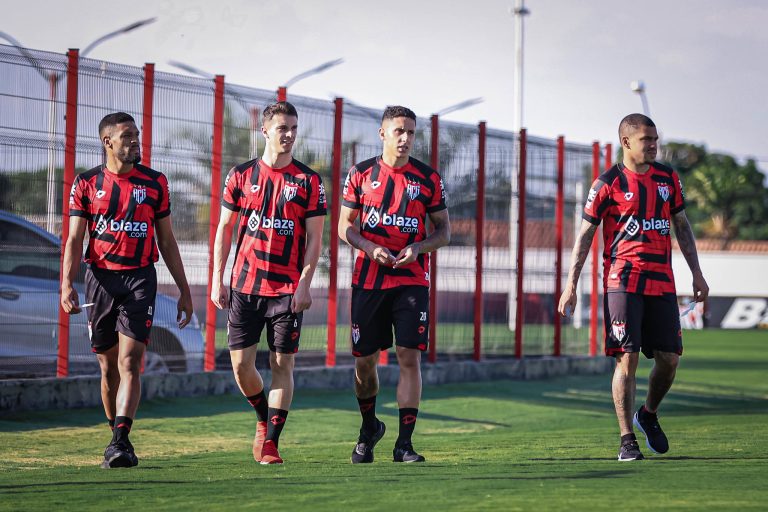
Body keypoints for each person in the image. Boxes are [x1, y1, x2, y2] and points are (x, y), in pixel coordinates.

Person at [558, 113, 709, 461]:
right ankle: (627, 439)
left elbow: (682, 227)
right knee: (626, 359)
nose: (654, 145)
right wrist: (571, 285)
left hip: (662, 282)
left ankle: (648, 414)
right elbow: (584, 236)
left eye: (656, 139)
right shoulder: (607, 183)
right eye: (647, 140)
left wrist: (697, 274)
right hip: (622, 281)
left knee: (669, 360)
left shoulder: (668, 179)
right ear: (626, 142)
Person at [61, 112, 194, 469]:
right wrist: (66, 284)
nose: (135, 142)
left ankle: (121, 440)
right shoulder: (86, 183)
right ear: (108, 142)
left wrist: (184, 289)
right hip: (100, 281)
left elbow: (166, 240)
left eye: (137, 135)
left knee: (131, 361)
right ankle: (116, 436)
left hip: (139, 279)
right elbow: (74, 239)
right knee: (108, 368)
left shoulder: (155, 183)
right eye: (127, 136)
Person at [211, 101, 326, 465]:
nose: (289, 134)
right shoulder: (241, 176)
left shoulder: (308, 181)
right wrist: (217, 278)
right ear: (265, 131)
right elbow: (224, 230)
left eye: (293, 128)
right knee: (242, 367)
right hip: (244, 288)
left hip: (286, 291)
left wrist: (305, 284)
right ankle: (263, 417)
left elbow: (315, 240)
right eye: (282, 128)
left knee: (282, 365)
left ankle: (272, 443)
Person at [339, 105, 450, 464]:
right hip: (369, 280)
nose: (405, 139)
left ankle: (404, 444)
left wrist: (418, 248)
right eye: (399, 131)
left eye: (411, 132)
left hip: (412, 280)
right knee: (365, 363)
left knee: (408, 356)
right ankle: (369, 427)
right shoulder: (360, 174)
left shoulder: (428, 179)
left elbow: (444, 231)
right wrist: (370, 247)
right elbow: (344, 226)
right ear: (382, 133)